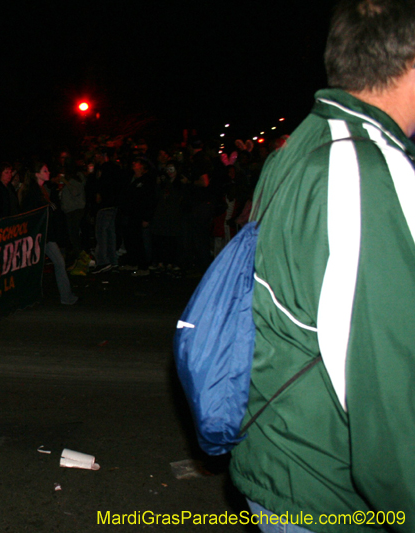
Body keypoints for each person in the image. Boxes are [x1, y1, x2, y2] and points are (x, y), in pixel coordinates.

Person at [230, 1, 415, 530]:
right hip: (325, 488)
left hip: (283, 457)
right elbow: (389, 380)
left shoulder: (303, 146)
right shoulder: (366, 170)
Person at [19, 161, 78, 306]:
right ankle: (28, 297)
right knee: (46, 264)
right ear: (37, 174)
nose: (48, 173)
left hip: (45, 235)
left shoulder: (41, 189)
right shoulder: (33, 192)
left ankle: (65, 296)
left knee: (55, 263)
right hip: (39, 235)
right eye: (45, 171)